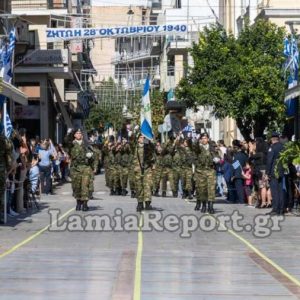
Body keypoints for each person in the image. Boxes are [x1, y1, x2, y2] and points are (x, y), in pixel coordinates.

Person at [193, 133, 220, 213]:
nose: (204, 140)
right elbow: (194, 146)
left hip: (211, 170)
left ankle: (211, 206)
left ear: (208, 139)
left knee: (211, 189)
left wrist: (217, 159)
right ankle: (204, 205)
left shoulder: (212, 148)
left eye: (205, 138)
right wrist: (197, 140)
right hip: (200, 171)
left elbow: (218, 156)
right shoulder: (198, 148)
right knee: (202, 189)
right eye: (202, 138)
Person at [70, 128, 94, 211]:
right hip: (75, 168)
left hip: (85, 168)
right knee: (76, 186)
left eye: (80, 133)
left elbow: (93, 156)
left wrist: (90, 155)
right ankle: (78, 202)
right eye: (77, 133)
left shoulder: (86, 144)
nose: (79, 134)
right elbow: (66, 141)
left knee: (85, 186)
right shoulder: (71, 144)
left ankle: (85, 204)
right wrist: (69, 132)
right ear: (74, 135)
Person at [133, 133, 155, 212]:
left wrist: (147, 140)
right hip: (138, 170)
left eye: (143, 138)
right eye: (141, 137)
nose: (142, 139)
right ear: (138, 139)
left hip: (147, 169)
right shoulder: (135, 147)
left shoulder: (148, 147)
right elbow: (130, 142)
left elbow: (152, 147)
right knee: (139, 186)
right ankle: (140, 203)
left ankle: (148, 203)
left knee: (148, 186)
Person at [266, 132, 285, 215]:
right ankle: (281, 209)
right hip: (281, 171)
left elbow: (269, 160)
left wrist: (267, 172)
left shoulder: (272, 147)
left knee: (275, 191)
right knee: (281, 190)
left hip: (273, 171)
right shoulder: (283, 146)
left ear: (272, 139)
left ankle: (275, 209)